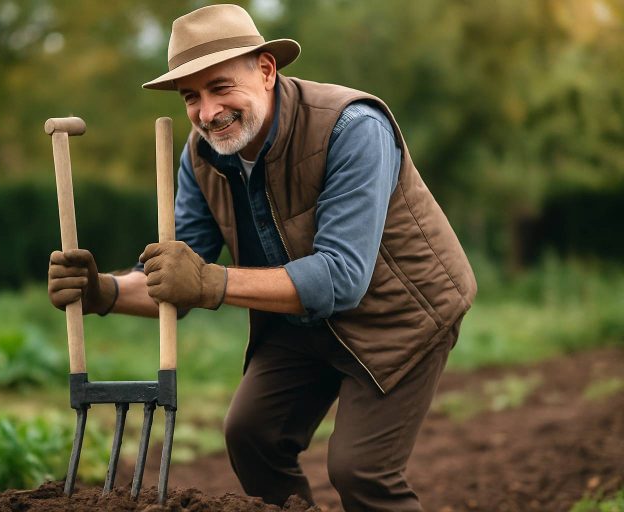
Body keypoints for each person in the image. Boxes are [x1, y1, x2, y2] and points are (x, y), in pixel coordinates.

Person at [48, 4, 477, 511]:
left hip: (400, 316)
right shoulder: (201, 156)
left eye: (220, 87)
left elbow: (340, 278)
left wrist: (211, 282)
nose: (207, 112)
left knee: (360, 470)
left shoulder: (352, 128)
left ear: (267, 70)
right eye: (192, 96)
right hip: (301, 324)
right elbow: (177, 282)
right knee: (251, 435)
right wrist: (106, 292)